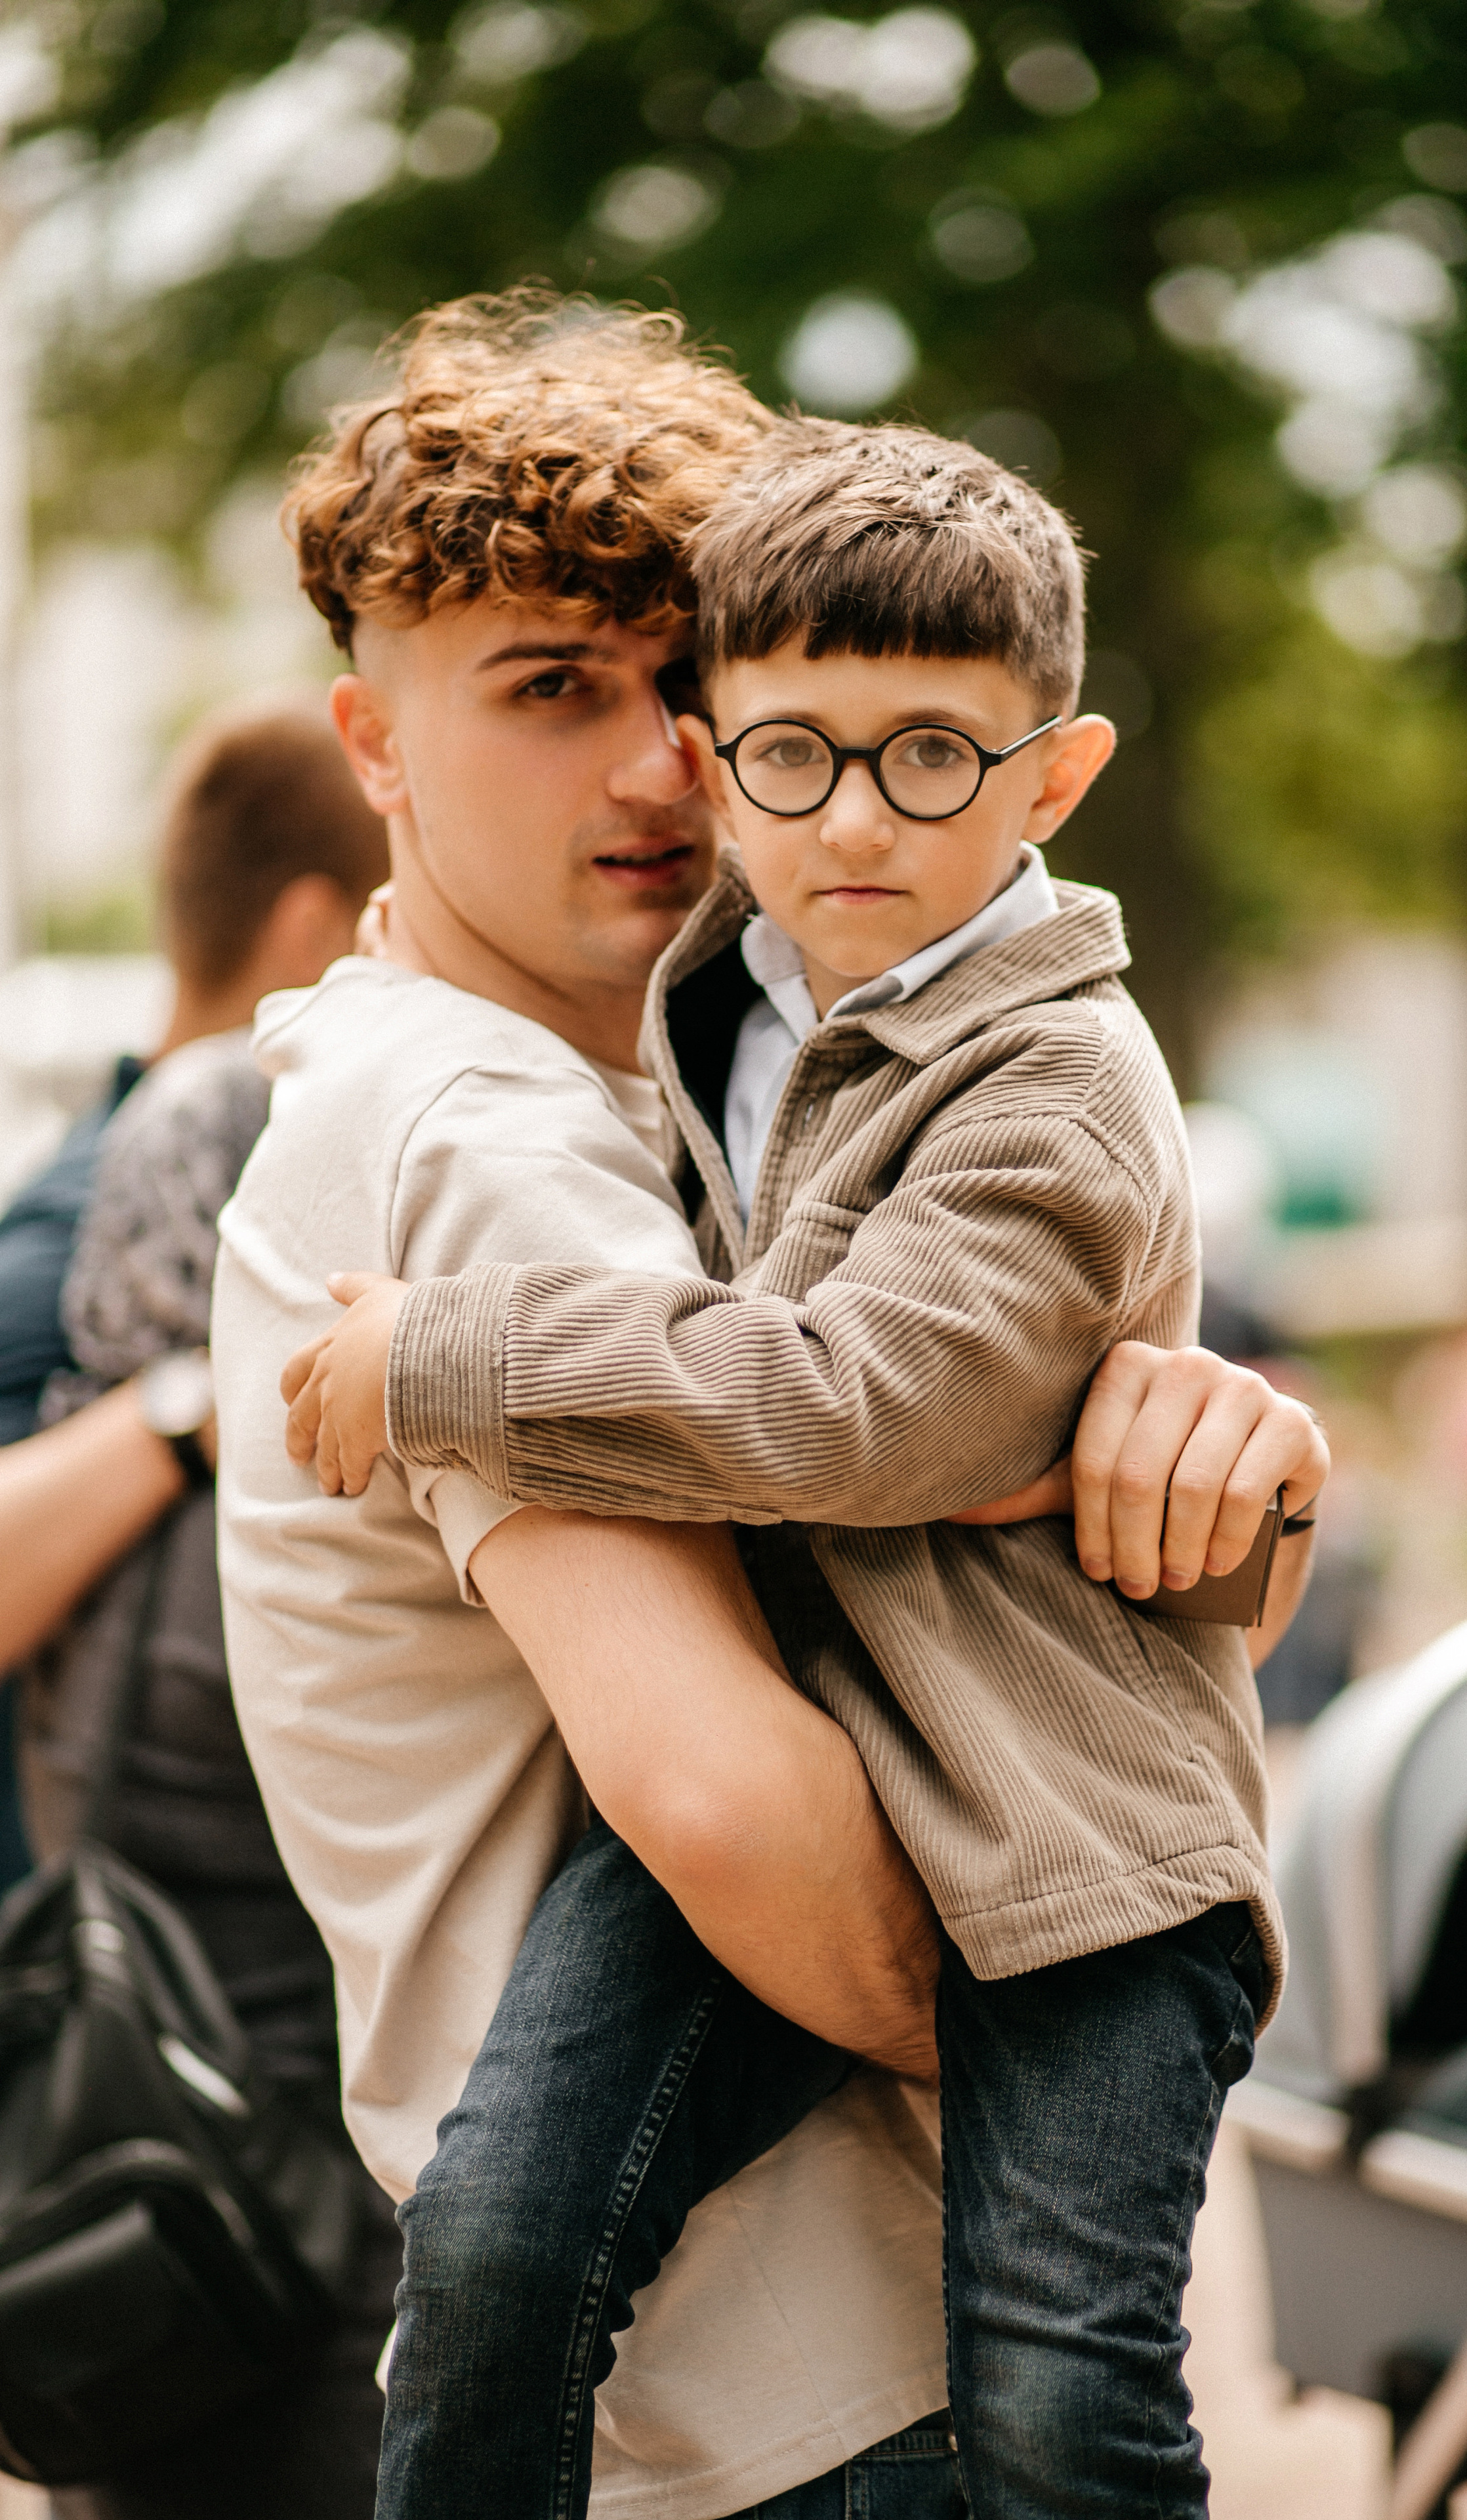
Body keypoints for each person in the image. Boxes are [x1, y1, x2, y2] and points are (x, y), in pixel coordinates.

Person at [214, 293, 1328, 2520]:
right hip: (786, 2379)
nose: (662, 776)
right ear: (377, 745)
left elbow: (918, 1470)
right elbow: (739, 1807)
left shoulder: (726, 1064)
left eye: (684, 692)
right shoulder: (486, 1135)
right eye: (551, 693)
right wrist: (1072, 2015)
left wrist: (1223, 1484)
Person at [0, 698, 397, 2520]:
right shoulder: (79, 1242)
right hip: (139, 2082)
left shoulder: (109, 1185)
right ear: (315, 936)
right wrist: (185, 1410)